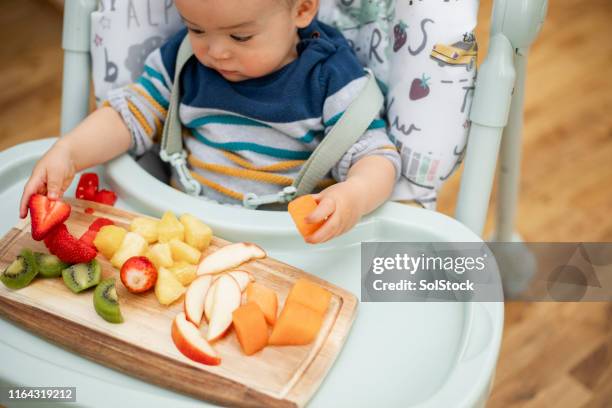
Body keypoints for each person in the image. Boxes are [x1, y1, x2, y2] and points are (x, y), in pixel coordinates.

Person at [19, 0, 400, 244]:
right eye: (196, 28)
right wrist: (68, 151)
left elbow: (375, 154)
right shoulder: (183, 60)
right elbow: (129, 115)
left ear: (301, 9)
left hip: (288, 244)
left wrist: (355, 195)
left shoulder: (329, 77)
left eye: (241, 35)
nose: (215, 52)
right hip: (181, 231)